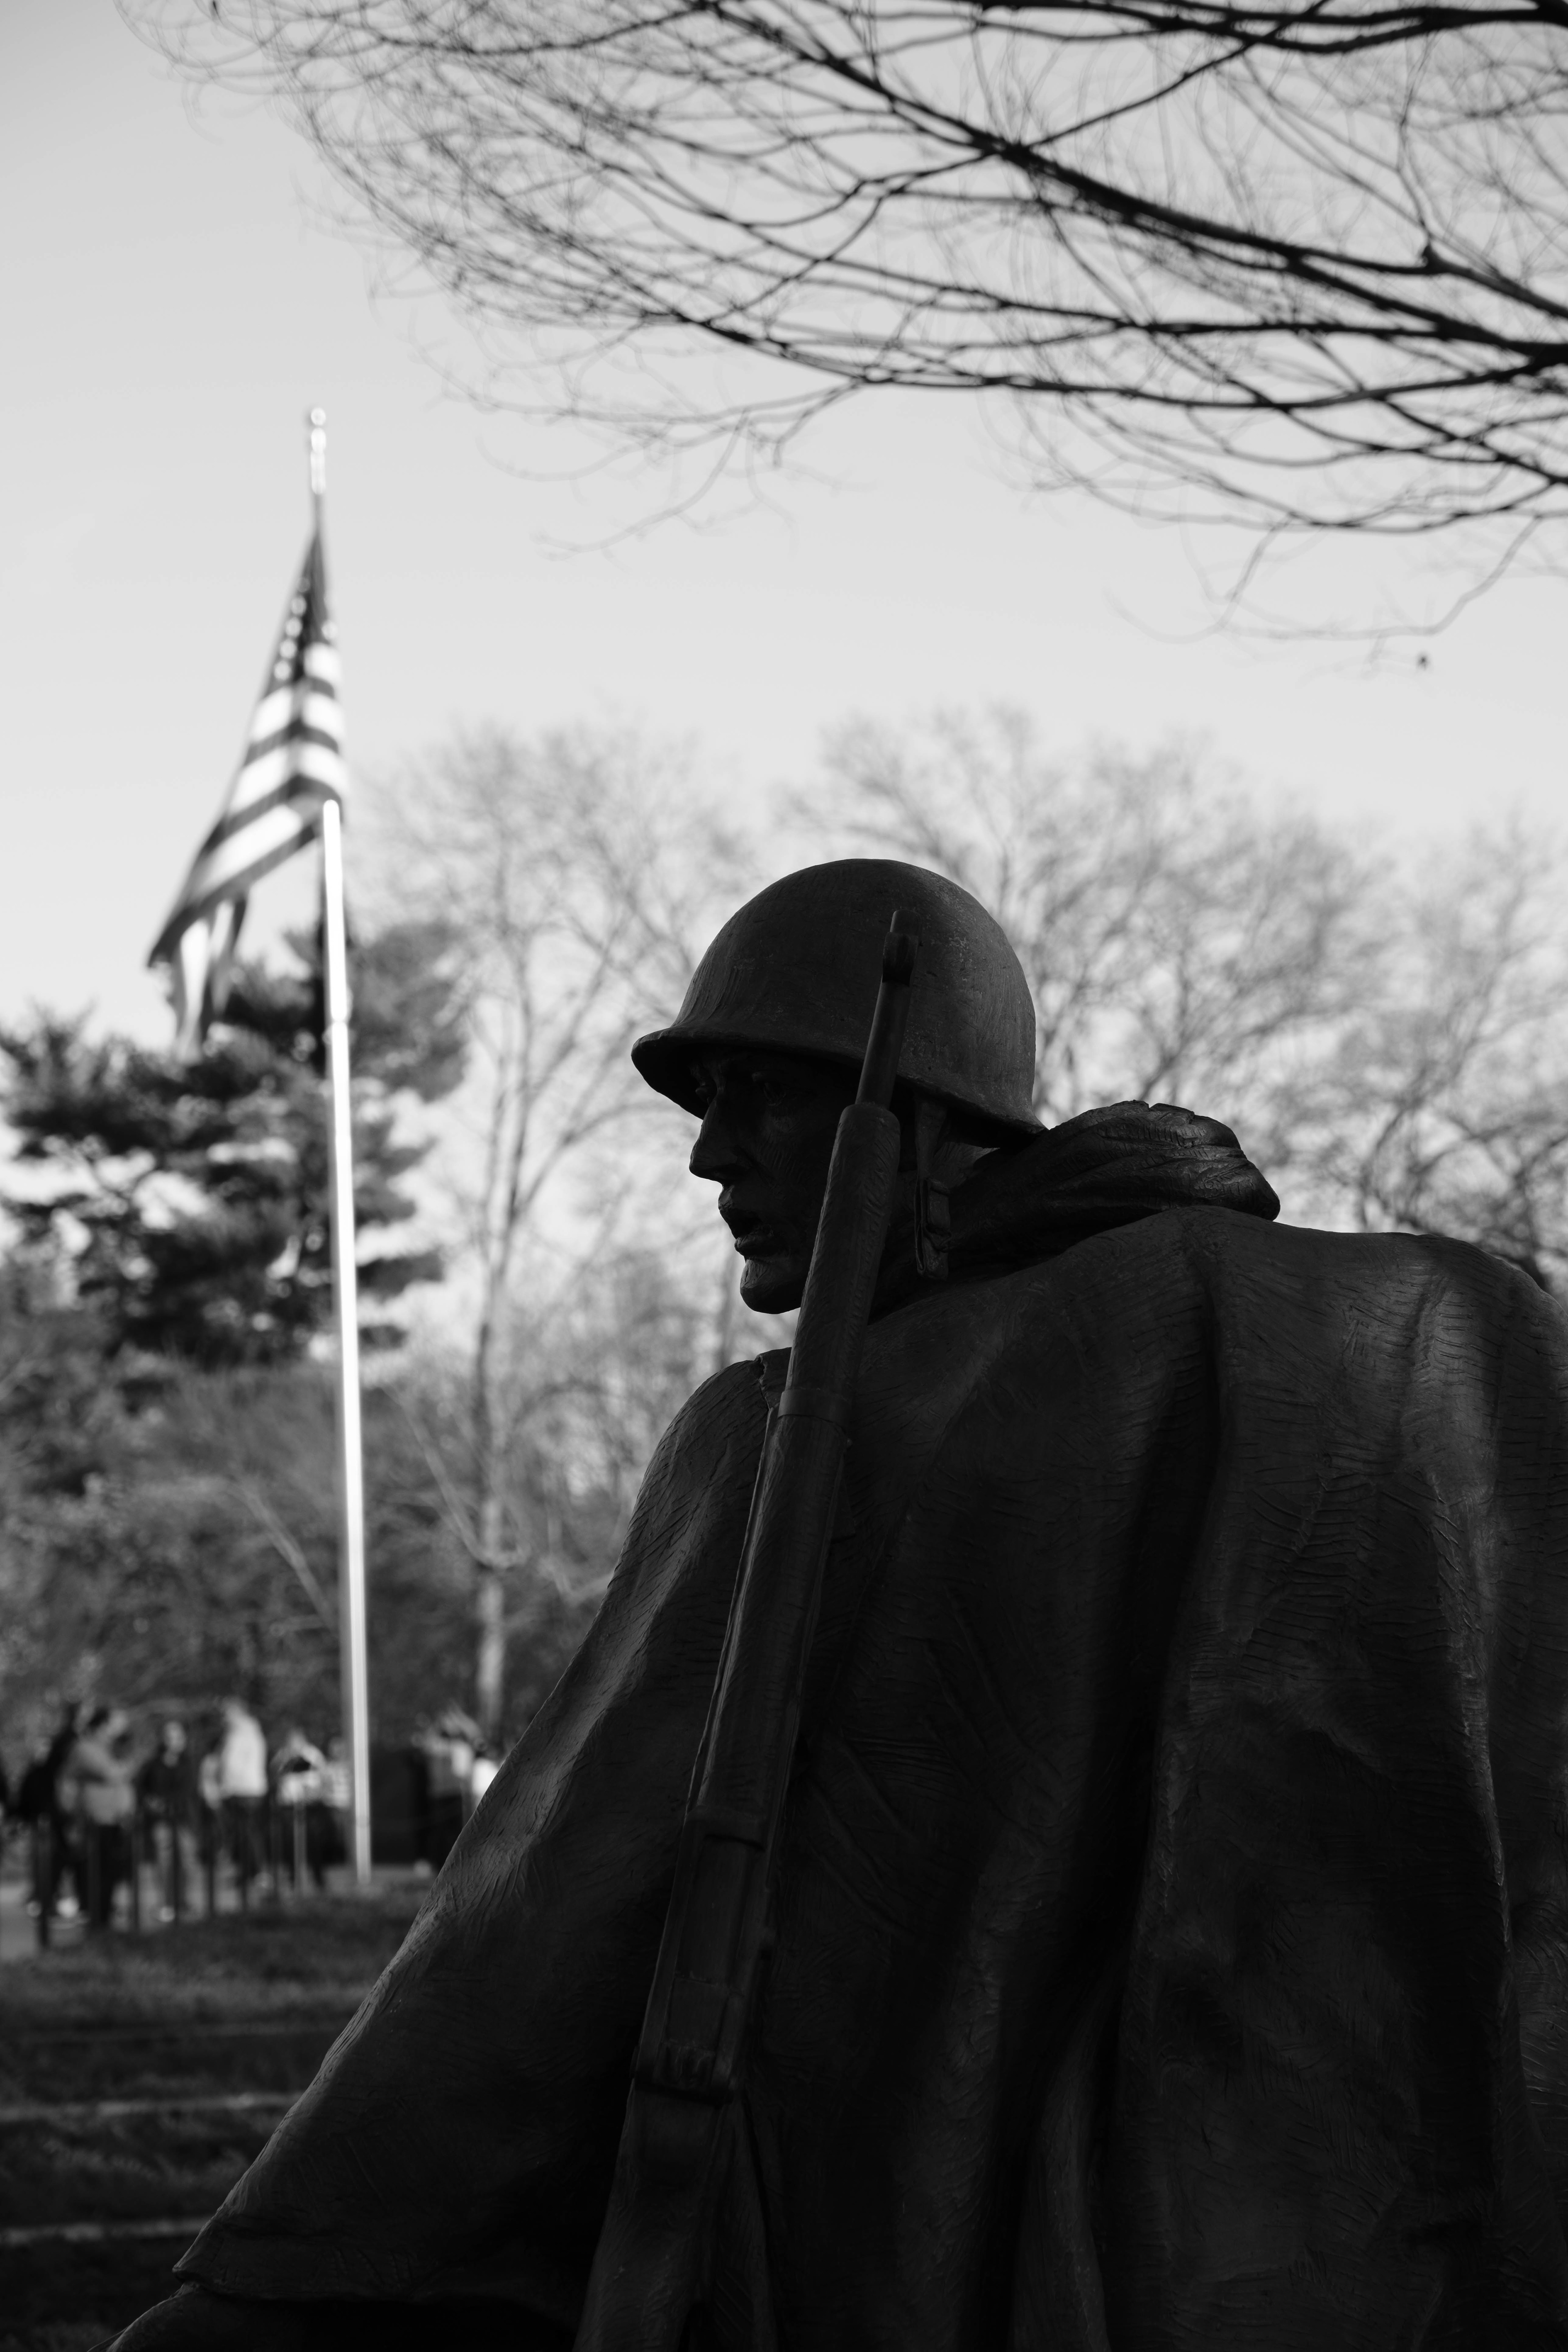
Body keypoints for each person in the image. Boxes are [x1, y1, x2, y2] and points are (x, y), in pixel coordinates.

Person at [105, 860, 1568, 2349]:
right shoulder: (1447, 1336)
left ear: (918, 1110)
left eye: (761, 1095)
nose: (709, 1156)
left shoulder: (795, 1432)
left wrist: (255, 2297)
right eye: (704, 1104)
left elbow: (528, 1961)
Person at [65, 1704, 136, 1930]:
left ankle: (104, 1922)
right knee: (96, 1873)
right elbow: (109, 1773)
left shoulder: (111, 1749)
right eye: (118, 1722)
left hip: (114, 1820)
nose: (123, 1727)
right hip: (95, 1820)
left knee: (112, 1873)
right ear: (103, 1725)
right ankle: (96, 1923)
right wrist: (129, 1766)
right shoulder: (85, 1748)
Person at [138, 1720, 200, 1923]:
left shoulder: (189, 1763)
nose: (173, 1741)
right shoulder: (153, 1764)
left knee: (187, 1860)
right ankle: (166, 1903)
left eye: (177, 1737)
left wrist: (166, 1803)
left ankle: (184, 1901)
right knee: (163, 1860)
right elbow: (143, 1788)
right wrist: (152, 1803)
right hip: (160, 1820)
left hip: (183, 1820)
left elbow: (188, 1791)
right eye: (169, 1737)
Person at [216, 1699, 269, 1899]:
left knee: (249, 1833)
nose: (224, 1718)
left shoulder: (243, 1732)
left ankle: (259, 1873)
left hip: (244, 1789)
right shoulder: (247, 1732)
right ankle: (248, 1872)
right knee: (244, 1834)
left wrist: (226, 1784)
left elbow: (233, 1764)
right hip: (244, 1788)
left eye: (227, 1713)